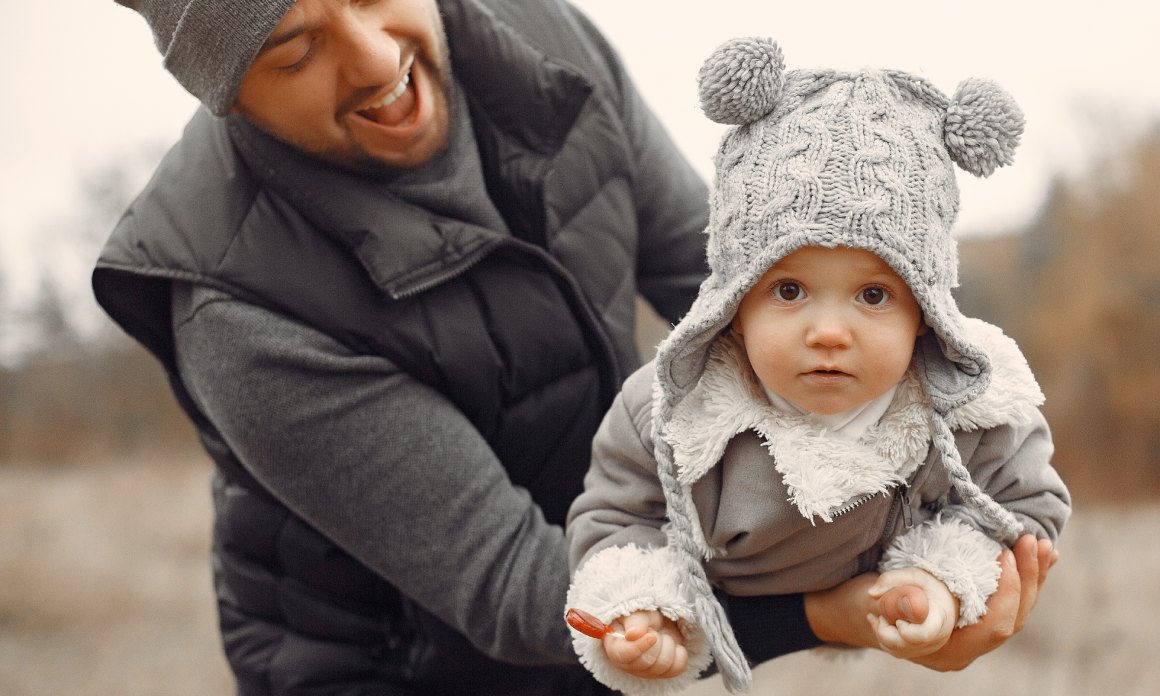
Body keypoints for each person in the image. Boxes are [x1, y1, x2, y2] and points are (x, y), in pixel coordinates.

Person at [94, 2, 1056, 693]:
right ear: (225, 93)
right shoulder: (234, 305)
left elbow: (723, 290)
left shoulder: (548, 47)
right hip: (405, 666)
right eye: (292, 46)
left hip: (627, 586)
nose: (374, 54)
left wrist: (935, 536)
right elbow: (511, 585)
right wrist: (817, 614)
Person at [564, 37, 1071, 694]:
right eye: (789, 290)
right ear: (735, 304)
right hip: (722, 592)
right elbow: (615, 513)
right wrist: (642, 610)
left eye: (873, 295)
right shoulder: (674, 408)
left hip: (887, 576)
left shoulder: (968, 409)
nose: (829, 332)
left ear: (924, 314)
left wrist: (943, 580)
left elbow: (1023, 505)